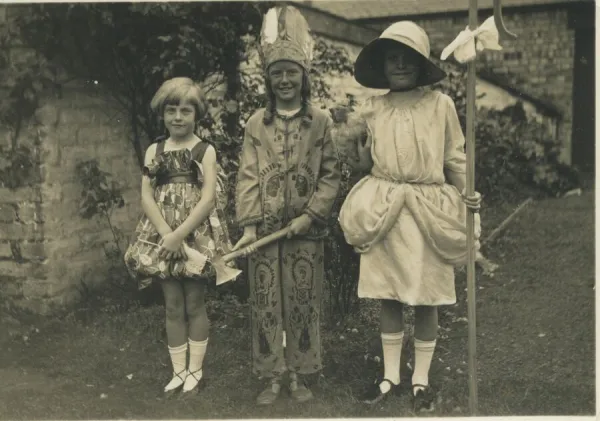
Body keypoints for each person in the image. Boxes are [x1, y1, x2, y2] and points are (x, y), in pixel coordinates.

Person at [335, 22, 482, 412]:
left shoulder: (440, 105)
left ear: (421, 66)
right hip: (385, 206)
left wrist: (469, 192)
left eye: (408, 60)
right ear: (383, 66)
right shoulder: (374, 108)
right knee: (390, 294)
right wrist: (358, 149)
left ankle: (421, 380)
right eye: (392, 59)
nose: (400, 66)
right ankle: (390, 375)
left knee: (425, 295)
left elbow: (454, 155)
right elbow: (368, 162)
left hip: (427, 208)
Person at [232, 5, 341, 406]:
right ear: (268, 78)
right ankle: (272, 374)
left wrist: (312, 214)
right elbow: (246, 175)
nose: (284, 80)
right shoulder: (255, 125)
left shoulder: (322, 122)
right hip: (264, 233)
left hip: (305, 233)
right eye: (276, 72)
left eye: (291, 72)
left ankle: (298, 373)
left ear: (304, 77)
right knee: (265, 301)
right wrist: (248, 227)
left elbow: (331, 175)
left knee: (302, 299)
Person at [124, 77, 235, 397]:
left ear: (197, 114)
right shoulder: (154, 149)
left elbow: (208, 198)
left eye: (185, 110)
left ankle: (196, 371)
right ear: (162, 113)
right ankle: (178, 371)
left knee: (194, 302)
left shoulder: (204, 150)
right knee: (172, 304)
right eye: (171, 110)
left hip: (194, 232)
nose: (177, 117)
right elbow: (146, 196)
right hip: (162, 232)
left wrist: (180, 236)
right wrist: (166, 236)